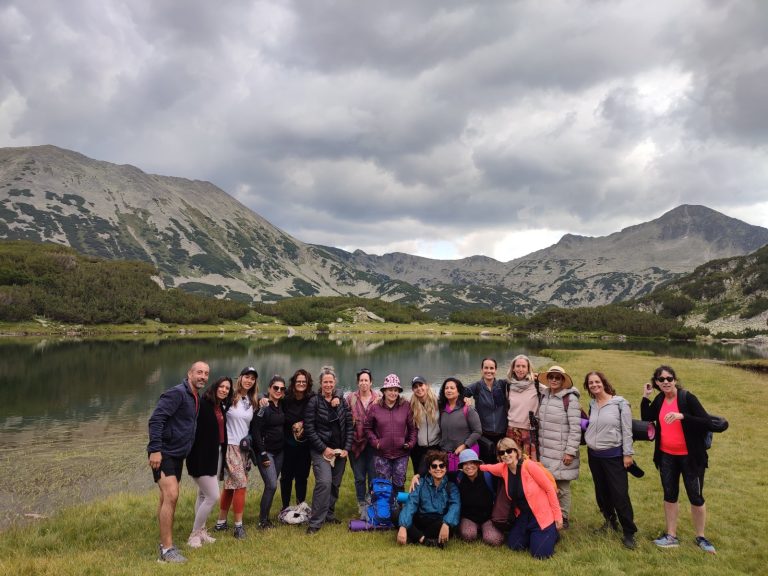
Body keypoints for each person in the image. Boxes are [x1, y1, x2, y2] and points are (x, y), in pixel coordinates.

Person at [641, 365, 717, 554]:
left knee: (696, 497)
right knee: (670, 495)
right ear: (656, 383)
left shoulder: (687, 398)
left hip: (690, 457)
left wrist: (682, 416)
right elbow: (647, 417)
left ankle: (701, 536)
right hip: (667, 456)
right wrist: (645, 397)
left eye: (669, 378)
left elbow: (707, 422)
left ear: (675, 380)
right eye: (661, 379)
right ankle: (671, 536)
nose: (665, 382)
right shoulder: (659, 399)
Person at [148, 360, 210, 563]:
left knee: (165, 498)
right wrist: (155, 450)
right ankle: (167, 551)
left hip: (178, 455)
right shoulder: (177, 393)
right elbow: (156, 419)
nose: (202, 376)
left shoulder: (195, 397)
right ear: (189, 373)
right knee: (172, 495)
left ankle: (163, 541)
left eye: (206, 374)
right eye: (199, 372)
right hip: (164, 453)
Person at [480, 438, 562, 559]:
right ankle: (535, 536)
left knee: (540, 554)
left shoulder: (529, 466)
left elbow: (549, 489)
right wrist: (471, 465)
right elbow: (487, 467)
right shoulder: (503, 469)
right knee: (514, 545)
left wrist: (558, 516)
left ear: (516, 451)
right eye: (501, 453)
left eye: (509, 451)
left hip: (541, 515)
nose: (506, 455)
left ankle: (552, 533)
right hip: (524, 516)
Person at [583, 370, 638, 549]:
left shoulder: (620, 403)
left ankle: (629, 531)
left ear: (604, 382)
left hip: (614, 456)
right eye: (591, 383)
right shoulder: (593, 404)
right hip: (594, 456)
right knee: (602, 492)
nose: (594, 385)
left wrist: (627, 454)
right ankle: (610, 521)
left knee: (619, 494)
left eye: (597, 382)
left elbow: (627, 430)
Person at [304, 365, 353, 534]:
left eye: (331, 382)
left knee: (335, 484)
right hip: (321, 451)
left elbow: (349, 425)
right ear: (320, 383)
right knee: (324, 482)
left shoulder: (342, 401)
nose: (328, 385)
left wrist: (346, 448)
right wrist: (324, 449)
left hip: (340, 450)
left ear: (335, 383)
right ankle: (315, 522)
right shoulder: (314, 402)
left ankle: (329, 514)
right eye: (325, 382)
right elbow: (309, 429)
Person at [185, 375, 232, 548]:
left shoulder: (219, 406)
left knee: (203, 494)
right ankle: (194, 534)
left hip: (216, 453)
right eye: (222, 386)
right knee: (213, 496)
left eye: (227, 388)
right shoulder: (203, 404)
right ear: (215, 386)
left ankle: (202, 531)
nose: (224, 390)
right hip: (201, 456)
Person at [214, 366, 258, 539]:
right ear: (240, 378)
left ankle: (221, 522)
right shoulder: (229, 397)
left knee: (230, 487)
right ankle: (238, 526)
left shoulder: (251, 400)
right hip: (230, 446)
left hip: (244, 448)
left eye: (252, 378)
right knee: (241, 485)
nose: (249, 380)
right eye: (246, 377)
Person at [537, 365, 581, 529]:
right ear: (547, 379)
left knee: (562, 486)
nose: (554, 380)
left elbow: (575, 428)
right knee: (548, 483)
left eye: (558, 377)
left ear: (563, 380)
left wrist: (570, 451)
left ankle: (563, 517)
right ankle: (551, 514)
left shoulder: (570, 399)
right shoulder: (544, 395)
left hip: (562, 451)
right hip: (546, 449)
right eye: (551, 377)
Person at [365, 374, 417, 496]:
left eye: (395, 390)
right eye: (390, 390)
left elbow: (413, 428)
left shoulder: (406, 406)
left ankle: (399, 510)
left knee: (399, 483)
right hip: (381, 454)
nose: (393, 393)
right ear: (384, 391)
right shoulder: (375, 408)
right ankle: (384, 511)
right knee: (383, 485)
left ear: (399, 391)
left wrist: (410, 443)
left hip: (401, 454)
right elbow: (367, 428)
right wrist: (376, 443)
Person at [397, 449, 460, 548]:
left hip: (438, 522)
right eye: (434, 466)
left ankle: (415, 536)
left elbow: (455, 506)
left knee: (450, 525)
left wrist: (446, 523)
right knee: (396, 514)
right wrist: (403, 526)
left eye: (441, 466)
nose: (438, 469)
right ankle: (424, 540)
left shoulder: (451, 486)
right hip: (421, 519)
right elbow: (411, 503)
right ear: (429, 470)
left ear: (446, 469)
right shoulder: (420, 483)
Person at [251, 375, 286, 529]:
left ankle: (266, 518)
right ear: (269, 389)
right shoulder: (263, 405)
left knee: (271, 485)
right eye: (275, 388)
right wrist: (263, 453)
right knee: (271, 485)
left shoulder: (282, 405)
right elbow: (256, 431)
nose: (279, 391)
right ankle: (262, 521)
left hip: (280, 452)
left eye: (282, 388)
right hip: (266, 452)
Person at [345, 368, 381, 519]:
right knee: (359, 477)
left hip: (373, 445)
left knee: (373, 476)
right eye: (361, 380)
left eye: (366, 380)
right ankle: (361, 504)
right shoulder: (350, 398)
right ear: (358, 382)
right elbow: (345, 418)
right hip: (356, 444)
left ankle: (371, 503)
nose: (364, 383)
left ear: (371, 382)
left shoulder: (378, 398)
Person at [464, 357, 509, 464]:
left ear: (496, 370)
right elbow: (460, 392)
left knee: (502, 464)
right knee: (487, 465)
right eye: (486, 368)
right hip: (484, 435)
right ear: (481, 370)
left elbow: (519, 382)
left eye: (492, 368)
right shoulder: (477, 387)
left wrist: (534, 377)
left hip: (502, 434)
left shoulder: (502, 385)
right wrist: (464, 398)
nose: (489, 371)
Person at [280, 369, 314, 510]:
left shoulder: (312, 398)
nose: (301, 384)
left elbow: (317, 414)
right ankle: (285, 507)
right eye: (298, 381)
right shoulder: (285, 397)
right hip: (287, 445)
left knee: (301, 477)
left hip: (305, 446)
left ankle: (300, 507)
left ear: (308, 383)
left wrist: (303, 424)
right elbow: (270, 395)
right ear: (294, 383)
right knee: (286, 478)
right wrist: (263, 398)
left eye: (304, 381)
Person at [456, 449, 504, 546]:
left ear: (478, 464)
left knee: (494, 540)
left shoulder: (488, 476)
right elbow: (439, 474)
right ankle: (475, 529)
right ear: (461, 467)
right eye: (465, 464)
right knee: (468, 536)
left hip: (488, 517)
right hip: (468, 517)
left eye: (472, 463)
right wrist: (417, 476)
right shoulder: (459, 478)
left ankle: (485, 530)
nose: (469, 467)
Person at [438, 377, 482, 474]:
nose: (449, 390)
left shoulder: (467, 409)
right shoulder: (442, 410)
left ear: (458, 391)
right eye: (446, 388)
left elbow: (478, 431)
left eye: (452, 388)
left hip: (466, 455)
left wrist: (464, 446)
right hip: (448, 455)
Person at [505, 354, 541, 460]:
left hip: (529, 431)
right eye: (518, 366)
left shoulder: (536, 384)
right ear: (513, 368)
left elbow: (554, 389)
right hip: (512, 430)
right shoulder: (508, 385)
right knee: (512, 462)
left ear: (528, 368)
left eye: (524, 366)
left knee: (529, 463)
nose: (520, 369)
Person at [408, 376, 440, 474]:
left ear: (426, 386)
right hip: (418, 449)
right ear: (413, 390)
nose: (419, 388)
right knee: (419, 476)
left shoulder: (438, 402)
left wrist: (465, 400)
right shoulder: (410, 406)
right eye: (415, 387)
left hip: (436, 446)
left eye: (421, 385)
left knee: (436, 475)